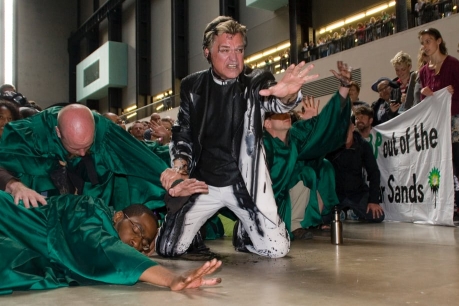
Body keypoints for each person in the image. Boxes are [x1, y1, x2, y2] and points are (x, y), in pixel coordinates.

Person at [156, 16, 317, 258]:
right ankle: (192, 230)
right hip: (202, 184)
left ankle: (245, 232)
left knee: (277, 250)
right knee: (168, 249)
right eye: (225, 50)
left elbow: (275, 100)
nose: (234, 58)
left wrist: (287, 97)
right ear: (207, 52)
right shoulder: (191, 86)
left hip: (244, 185)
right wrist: (180, 170)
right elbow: (183, 133)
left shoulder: (257, 82)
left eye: (239, 50)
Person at [0, 191, 221, 294]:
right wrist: (171, 278)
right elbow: (100, 245)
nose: (137, 243)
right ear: (117, 217)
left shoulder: (105, 225)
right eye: (137, 230)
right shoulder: (87, 209)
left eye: (144, 242)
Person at [0, 104, 175, 211]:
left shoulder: (104, 131)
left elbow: (141, 158)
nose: (83, 153)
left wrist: (175, 182)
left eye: (87, 145)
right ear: (58, 132)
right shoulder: (29, 135)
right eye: (75, 147)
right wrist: (14, 185)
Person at [263, 64, 351, 239]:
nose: (286, 115)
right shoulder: (262, 144)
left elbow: (322, 127)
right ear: (267, 124)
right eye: (278, 114)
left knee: (307, 173)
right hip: (263, 204)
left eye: (287, 112)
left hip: (285, 201)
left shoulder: (295, 137)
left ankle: (297, 224)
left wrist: (344, 89)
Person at [418, 28, 459, 216]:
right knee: (440, 165)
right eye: (423, 42)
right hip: (436, 125)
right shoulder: (423, 72)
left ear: (438, 41)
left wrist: (452, 92)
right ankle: (445, 207)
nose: (425, 46)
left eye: (428, 41)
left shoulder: (453, 64)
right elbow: (425, 104)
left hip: (454, 119)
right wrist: (424, 94)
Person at [325, 120, 384, 224]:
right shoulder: (331, 146)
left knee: (377, 216)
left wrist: (373, 201)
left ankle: (353, 212)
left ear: (352, 127)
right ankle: (341, 211)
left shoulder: (363, 145)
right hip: (336, 195)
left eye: (346, 128)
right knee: (322, 219)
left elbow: (374, 172)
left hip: (358, 194)